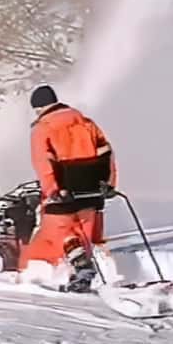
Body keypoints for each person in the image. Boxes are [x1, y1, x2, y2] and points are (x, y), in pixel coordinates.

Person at [18, 84, 118, 282]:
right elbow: (107, 154)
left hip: (64, 190)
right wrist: (109, 184)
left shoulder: (42, 129)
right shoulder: (87, 123)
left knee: (54, 236)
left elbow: (43, 163)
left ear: (38, 108)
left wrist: (52, 189)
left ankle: (77, 266)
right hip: (92, 191)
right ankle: (87, 269)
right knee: (84, 233)